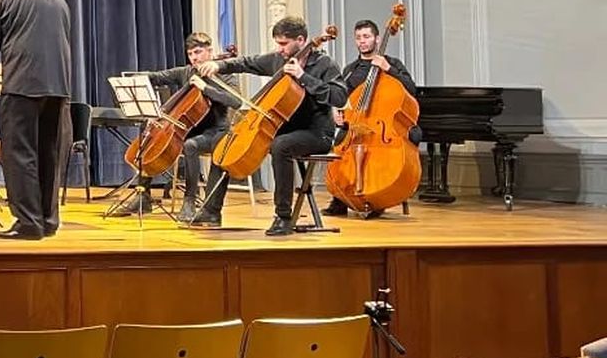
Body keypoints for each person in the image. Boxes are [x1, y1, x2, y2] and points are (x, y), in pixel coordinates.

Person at [196, 15, 348, 236]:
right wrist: (218, 65)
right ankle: (211, 211)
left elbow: (339, 97)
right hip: (283, 127)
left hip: (316, 133)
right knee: (225, 141)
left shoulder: (324, 64)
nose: (279, 49)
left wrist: (303, 77)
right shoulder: (279, 60)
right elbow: (246, 62)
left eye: (284, 43)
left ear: (301, 40)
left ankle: (283, 216)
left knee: (281, 145)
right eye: (278, 43)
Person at [0, 0, 72, 240]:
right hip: (59, 87)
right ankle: (48, 220)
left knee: (19, 153)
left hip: (22, 85)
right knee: (49, 153)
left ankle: (28, 222)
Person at [128, 32, 243, 223]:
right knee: (151, 133)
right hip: (190, 129)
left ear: (210, 51)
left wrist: (205, 88)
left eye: (198, 52)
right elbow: (158, 77)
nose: (194, 58)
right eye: (190, 54)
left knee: (191, 145)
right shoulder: (187, 72)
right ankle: (143, 195)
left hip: (217, 132)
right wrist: (134, 77)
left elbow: (236, 101)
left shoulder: (225, 74)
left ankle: (190, 200)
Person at [323, 18, 421, 219]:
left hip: (383, 127)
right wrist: (336, 110)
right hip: (356, 125)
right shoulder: (351, 70)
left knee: (415, 135)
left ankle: (377, 197)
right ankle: (340, 198)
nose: (362, 41)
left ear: (377, 39)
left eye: (366, 36)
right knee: (339, 142)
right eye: (358, 37)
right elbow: (340, 96)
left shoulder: (392, 64)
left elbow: (411, 89)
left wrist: (388, 68)